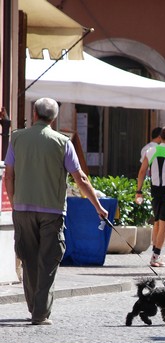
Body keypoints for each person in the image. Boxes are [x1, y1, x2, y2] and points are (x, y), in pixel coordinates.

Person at [4, 97, 108, 325]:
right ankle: (40, 313)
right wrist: (98, 206)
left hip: (22, 208)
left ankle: (35, 308)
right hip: (52, 211)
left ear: (34, 114)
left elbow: (8, 175)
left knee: (29, 259)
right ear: (54, 118)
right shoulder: (63, 142)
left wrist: (14, 202)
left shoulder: (17, 138)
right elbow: (79, 178)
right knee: (48, 261)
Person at [136, 126, 165, 267]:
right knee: (163, 226)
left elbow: (142, 172)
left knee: (157, 223)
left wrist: (139, 190)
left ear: (160, 137)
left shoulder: (150, 151)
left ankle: (155, 255)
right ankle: (155, 256)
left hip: (155, 191)